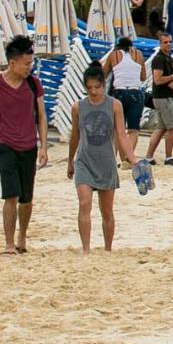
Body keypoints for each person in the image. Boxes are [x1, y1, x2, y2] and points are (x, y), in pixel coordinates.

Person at [0, 35, 48, 255]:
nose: (30, 67)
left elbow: (42, 115)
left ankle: (22, 236)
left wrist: (44, 146)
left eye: (31, 63)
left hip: (29, 146)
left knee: (26, 199)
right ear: (12, 63)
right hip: (6, 145)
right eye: (26, 64)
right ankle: (8, 244)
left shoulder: (33, 83)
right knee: (11, 196)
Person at [66, 61, 138, 256]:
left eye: (97, 87)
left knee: (107, 212)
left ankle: (107, 249)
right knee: (84, 204)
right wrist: (70, 161)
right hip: (84, 161)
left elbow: (122, 134)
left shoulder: (115, 105)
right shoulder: (78, 108)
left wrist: (132, 158)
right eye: (89, 88)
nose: (94, 91)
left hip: (106, 162)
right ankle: (86, 250)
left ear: (104, 84)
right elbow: (75, 136)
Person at [142, 31, 173, 166]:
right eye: (165, 42)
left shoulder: (168, 58)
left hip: (166, 95)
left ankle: (149, 156)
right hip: (162, 97)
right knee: (172, 126)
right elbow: (158, 80)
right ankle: (168, 157)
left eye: (170, 42)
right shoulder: (159, 59)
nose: (169, 44)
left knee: (162, 127)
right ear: (160, 44)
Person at [102, 36, 147, 157]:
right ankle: (128, 157)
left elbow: (103, 74)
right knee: (133, 130)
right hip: (135, 93)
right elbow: (143, 77)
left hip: (119, 93)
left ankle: (114, 157)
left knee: (117, 130)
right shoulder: (139, 54)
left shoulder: (114, 55)